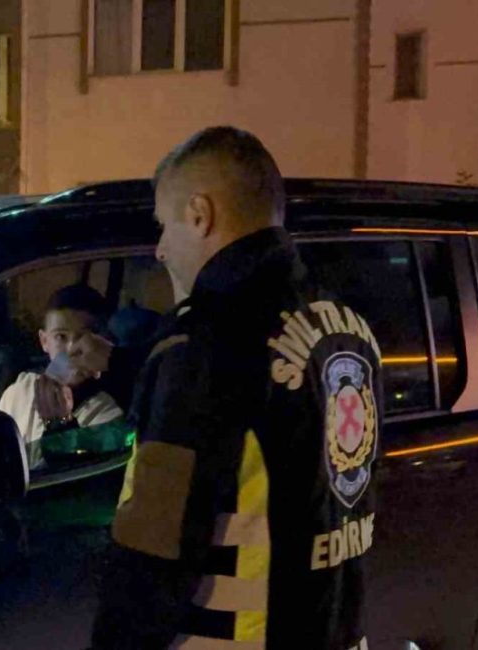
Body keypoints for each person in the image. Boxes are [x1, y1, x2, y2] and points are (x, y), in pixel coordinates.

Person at [77, 127, 382, 649]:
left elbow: (156, 546)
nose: (160, 249)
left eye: (164, 225)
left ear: (200, 214)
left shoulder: (205, 341)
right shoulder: (347, 326)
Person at [0, 284, 124, 469]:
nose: (71, 348)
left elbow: (80, 478)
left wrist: (60, 425)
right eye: (61, 337)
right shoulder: (18, 392)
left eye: (83, 337)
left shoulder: (107, 413)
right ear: (44, 341)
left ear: (100, 343)